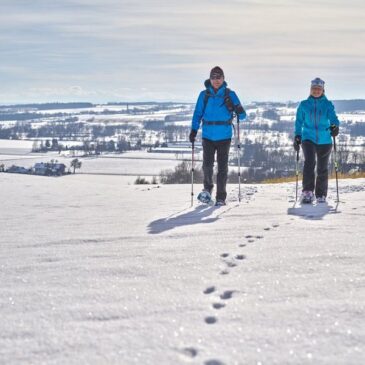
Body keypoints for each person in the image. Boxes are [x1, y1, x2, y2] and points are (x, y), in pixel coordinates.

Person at [189, 66, 246, 206]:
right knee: (207, 165)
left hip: (224, 136)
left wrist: (238, 109)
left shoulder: (230, 94)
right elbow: (197, 113)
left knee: (222, 168)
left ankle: (221, 197)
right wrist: (194, 130)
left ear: (223, 78)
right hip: (207, 135)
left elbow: (243, 116)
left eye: (218, 77)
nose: (216, 80)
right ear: (210, 79)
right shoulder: (204, 95)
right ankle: (207, 190)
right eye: (213, 77)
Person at [294, 77, 340, 203]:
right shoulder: (304, 105)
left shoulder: (327, 104)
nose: (316, 91)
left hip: (325, 140)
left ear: (323, 90)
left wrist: (335, 127)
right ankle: (307, 192)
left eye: (319, 89)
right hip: (308, 138)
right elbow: (298, 122)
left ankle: (321, 194)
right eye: (314, 89)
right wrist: (297, 135)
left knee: (322, 167)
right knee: (309, 163)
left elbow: (334, 119)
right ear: (310, 90)